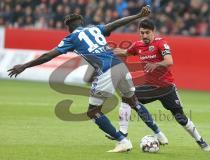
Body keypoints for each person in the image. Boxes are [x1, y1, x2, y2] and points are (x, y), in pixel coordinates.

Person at [7, 6, 168, 153]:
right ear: (82, 22)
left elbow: (49, 55)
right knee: (134, 102)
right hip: (121, 66)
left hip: (106, 71)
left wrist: (25, 65)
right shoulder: (95, 29)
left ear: (68, 27)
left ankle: (123, 141)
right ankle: (159, 134)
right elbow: (115, 24)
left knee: (93, 111)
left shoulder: (71, 38)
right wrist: (137, 15)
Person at [109, 18, 210, 151]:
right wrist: (108, 50)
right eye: (142, 33)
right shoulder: (138, 45)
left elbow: (169, 61)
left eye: (147, 32)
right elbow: (125, 52)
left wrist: (156, 64)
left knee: (181, 118)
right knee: (127, 97)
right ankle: (123, 133)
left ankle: (200, 140)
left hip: (166, 88)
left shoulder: (161, 43)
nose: (144, 35)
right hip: (150, 87)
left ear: (153, 32)